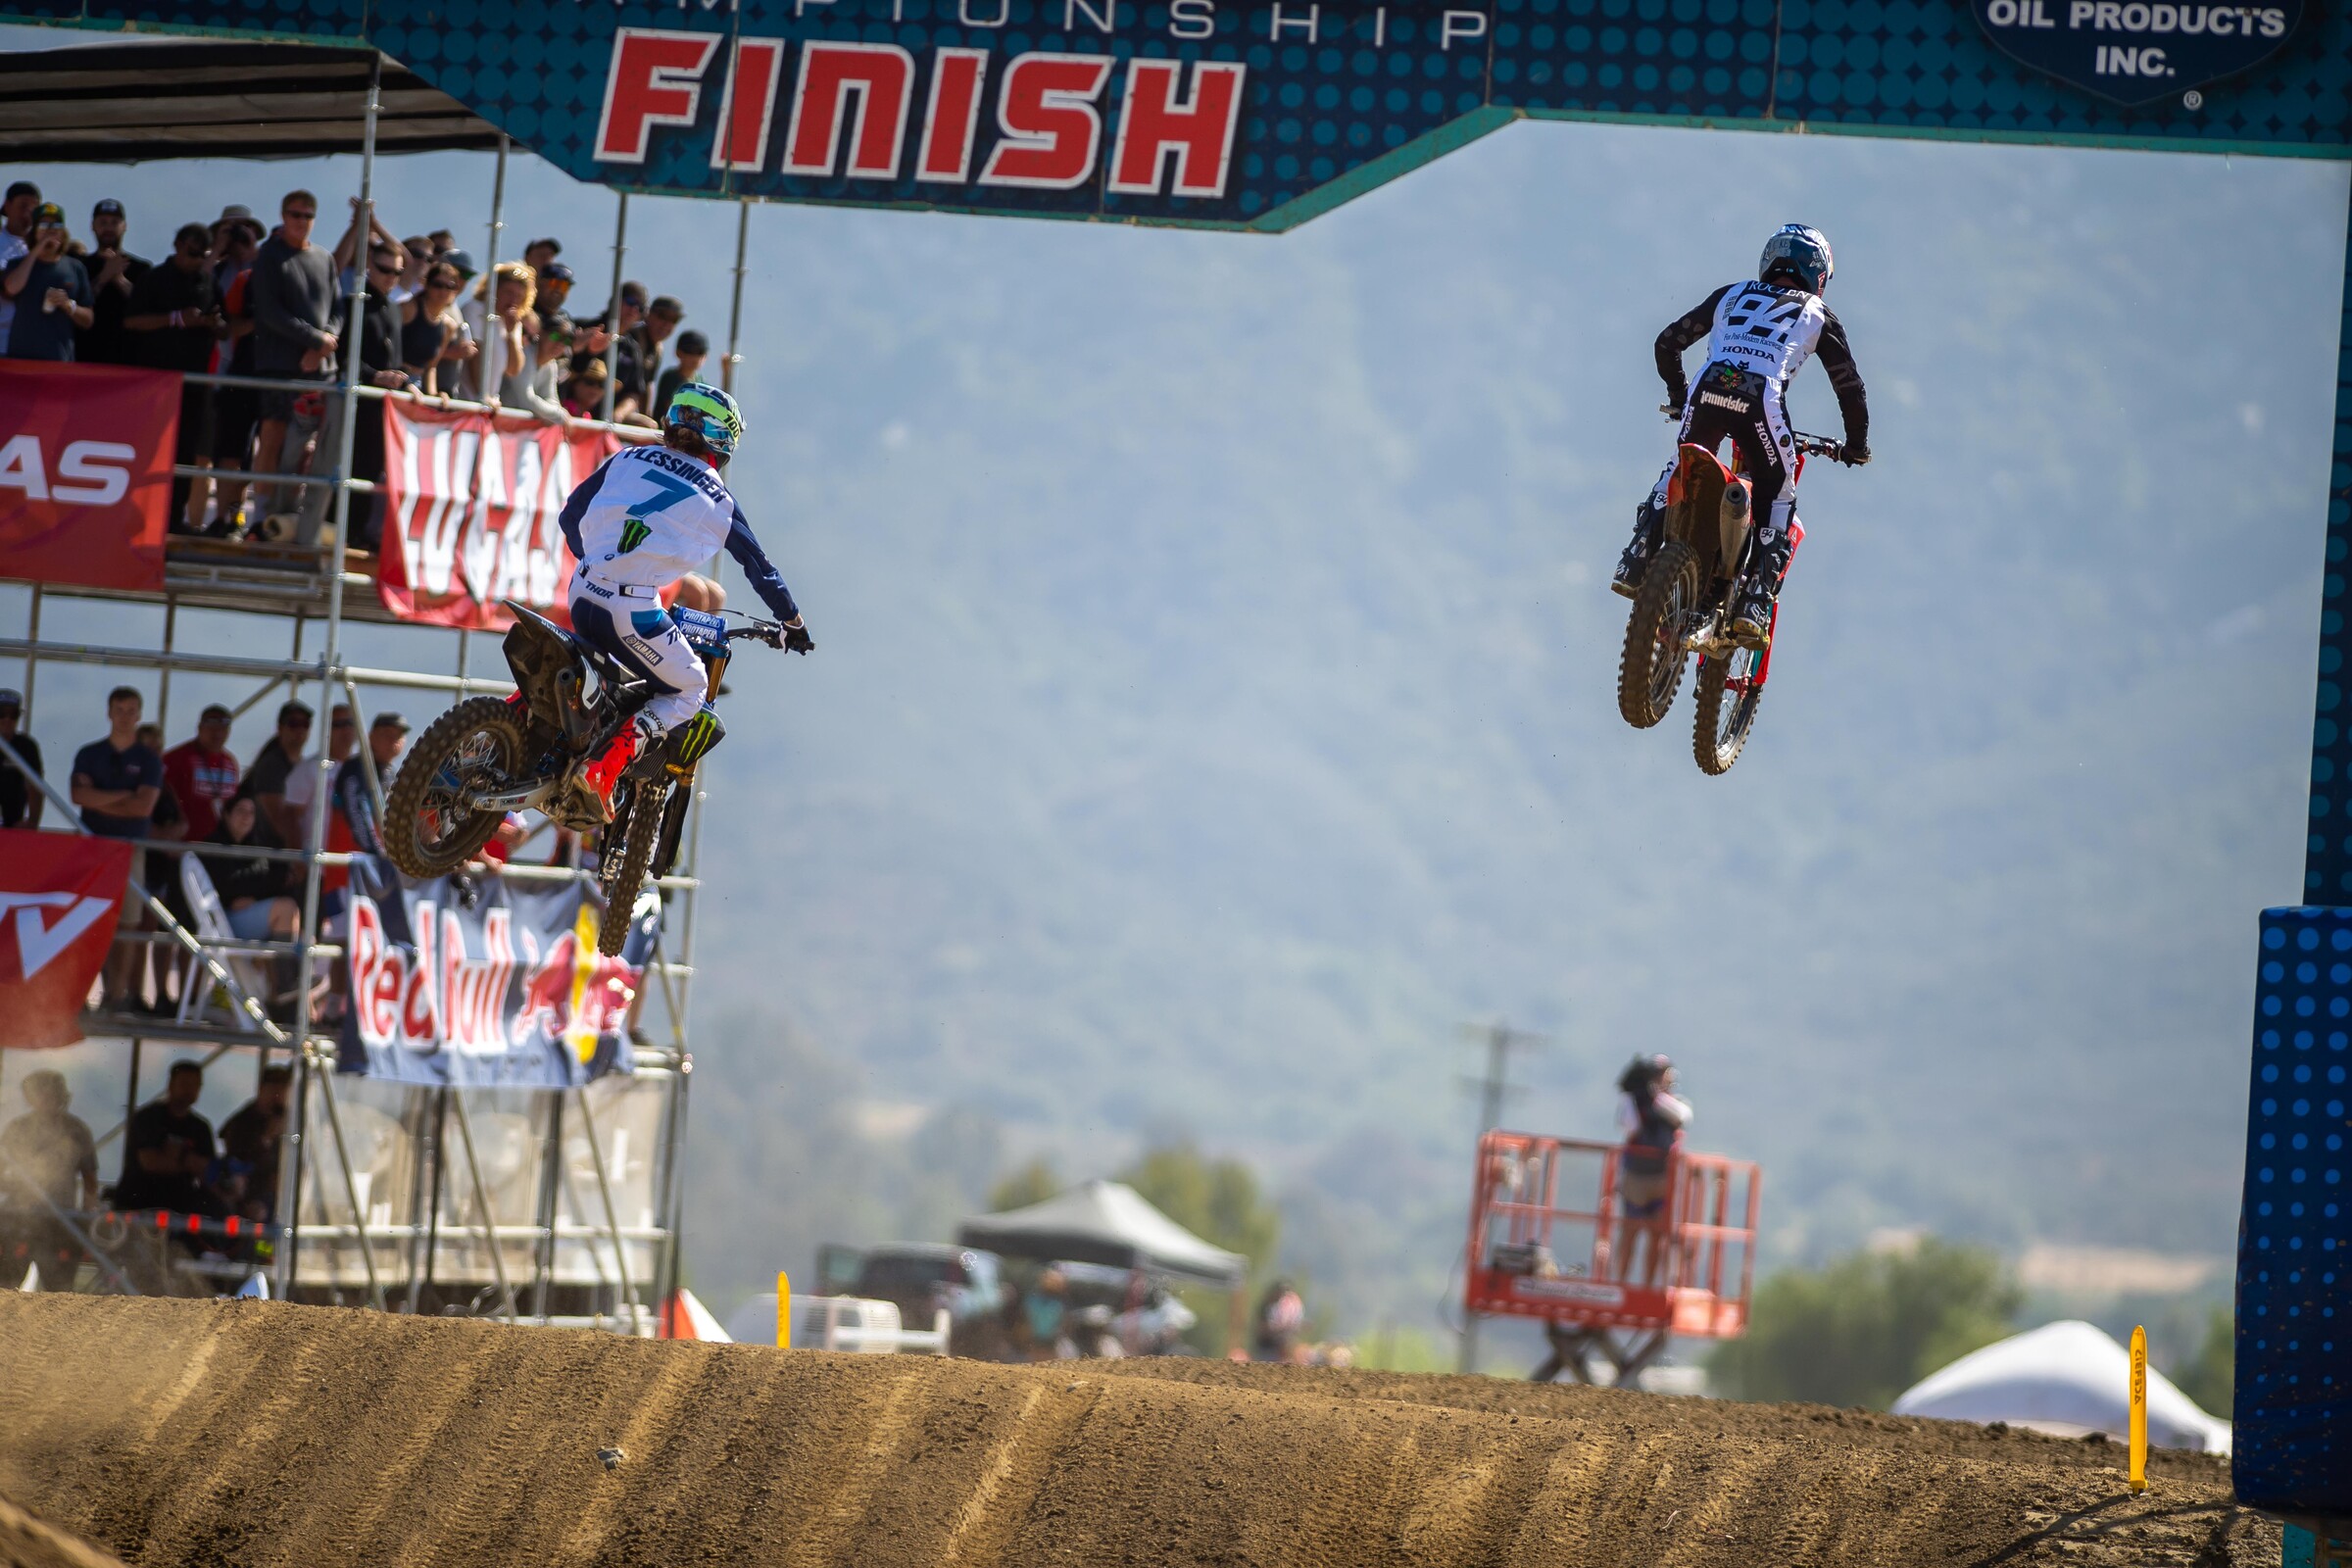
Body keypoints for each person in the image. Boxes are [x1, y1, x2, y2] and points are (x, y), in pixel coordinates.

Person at [557, 383, 812, 817]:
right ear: (723, 438)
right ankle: (605, 767)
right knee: (690, 687)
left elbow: (570, 516)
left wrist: (600, 562)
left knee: (596, 669)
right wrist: (793, 621)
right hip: (631, 611)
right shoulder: (718, 499)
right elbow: (760, 568)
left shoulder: (627, 457)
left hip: (582, 589)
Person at [1612, 223, 1871, 648]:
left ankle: (1637, 555)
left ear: (1769, 261)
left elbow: (1666, 343)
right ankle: (1753, 603)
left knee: (1681, 463)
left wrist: (1679, 397)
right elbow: (1850, 387)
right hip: (1760, 401)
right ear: (1819, 276)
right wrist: (1856, 445)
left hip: (1709, 387)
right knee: (1779, 496)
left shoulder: (1732, 293)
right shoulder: (1818, 314)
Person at [125, 222, 226, 533]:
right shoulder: (154, 278)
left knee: (185, 453)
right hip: (156, 380)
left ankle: (173, 518)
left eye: (203, 254)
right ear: (178, 245)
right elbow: (131, 321)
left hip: (193, 383)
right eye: (192, 252)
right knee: (147, 449)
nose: (196, 260)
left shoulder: (209, 282)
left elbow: (225, 326)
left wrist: (213, 322)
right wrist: (175, 319)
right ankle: (137, 514)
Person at [248, 190, 338, 525]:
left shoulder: (324, 258)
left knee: (309, 444)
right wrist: (315, 340)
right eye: (295, 214)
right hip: (278, 364)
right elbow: (270, 311)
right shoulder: (269, 255)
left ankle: (292, 510)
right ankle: (261, 511)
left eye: (308, 215)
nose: (301, 221)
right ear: (283, 216)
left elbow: (338, 308)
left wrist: (324, 343)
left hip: (319, 370)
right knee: (272, 436)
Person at [71, 686, 164, 1007]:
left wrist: (101, 799)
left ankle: (116, 995)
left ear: (139, 715)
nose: (124, 717)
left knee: (127, 924)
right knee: (87, 921)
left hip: (130, 848)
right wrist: (125, 794)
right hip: (93, 847)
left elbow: (143, 808)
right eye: (119, 709)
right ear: (109, 712)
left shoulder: (148, 760)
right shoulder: (89, 753)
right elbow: (79, 797)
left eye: (131, 711)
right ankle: (80, 993)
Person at [0, 1070, 98, 1290]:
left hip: (61, 1221)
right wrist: (18, 1187)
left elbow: (90, 1179)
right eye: (42, 1092)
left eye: (54, 1092)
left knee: (60, 1290)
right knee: (6, 1286)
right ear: (30, 1097)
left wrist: (86, 1218)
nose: (48, 1098)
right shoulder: (17, 1129)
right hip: (19, 1220)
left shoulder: (77, 1130)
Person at [1615, 1054, 1691, 1286]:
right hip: (1636, 1178)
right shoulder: (1633, 1102)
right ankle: (1621, 1281)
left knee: (1657, 1234)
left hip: (1661, 1178)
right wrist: (1645, 1101)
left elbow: (1683, 1116)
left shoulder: (1670, 1102)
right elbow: (1631, 1127)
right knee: (1630, 1232)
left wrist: (1656, 1100)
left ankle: (1648, 1284)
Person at [115, 1060, 217, 1214]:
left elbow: (207, 1169)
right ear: (171, 1085)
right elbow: (150, 1162)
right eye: (185, 1083)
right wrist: (187, 1161)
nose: (190, 1090)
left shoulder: (200, 1127)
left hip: (179, 1207)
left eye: (195, 1085)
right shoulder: (148, 1118)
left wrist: (174, 1157)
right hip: (138, 1204)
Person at [200, 795, 298, 942]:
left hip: (251, 911)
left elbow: (281, 877)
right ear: (226, 815)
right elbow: (228, 884)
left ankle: (279, 965)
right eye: (240, 811)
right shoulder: (214, 847)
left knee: (305, 937)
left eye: (251, 812)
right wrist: (247, 891)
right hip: (223, 920)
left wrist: (254, 896)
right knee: (286, 909)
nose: (246, 817)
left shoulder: (258, 844)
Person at [3, 203, 93, 361]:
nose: (50, 231)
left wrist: (68, 305)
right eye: (44, 226)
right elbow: (11, 288)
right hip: (21, 357)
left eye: (56, 226)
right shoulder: (17, 264)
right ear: (34, 231)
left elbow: (88, 319)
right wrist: (37, 249)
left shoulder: (75, 268)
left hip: (59, 358)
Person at [74, 197, 150, 366]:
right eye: (103, 222)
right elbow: (75, 305)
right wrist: (103, 277)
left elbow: (146, 308)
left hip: (129, 359)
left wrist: (119, 279)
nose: (108, 228)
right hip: (85, 356)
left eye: (114, 222)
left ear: (124, 226)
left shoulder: (141, 268)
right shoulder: (78, 265)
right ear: (93, 226)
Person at [215, 1065, 292, 1223]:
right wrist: (266, 1138)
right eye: (274, 1091)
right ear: (262, 1090)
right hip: (248, 1191)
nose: (277, 1098)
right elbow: (236, 1159)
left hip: (282, 1190)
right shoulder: (243, 1122)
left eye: (282, 1092)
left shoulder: (288, 1120)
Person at [329, 711, 407, 858]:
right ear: (371, 737)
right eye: (387, 734)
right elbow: (357, 812)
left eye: (399, 735)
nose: (394, 740)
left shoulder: (391, 774)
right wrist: (377, 853)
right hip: (349, 863)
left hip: (374, 864)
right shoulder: (355, 769)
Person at [161, 704, 240, 842]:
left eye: (223, 729)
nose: (217, 734)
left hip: (219, 846)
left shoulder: (230, 763)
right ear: (199, 728)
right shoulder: (175, 758)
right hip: (182, 845)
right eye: (212, 728)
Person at [242, 699, 314, 846]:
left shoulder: (303, 765)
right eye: (293, 723)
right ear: (280, 728)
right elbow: (280, 819)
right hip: (268, 854)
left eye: (305, 724)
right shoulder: (271, 766)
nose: (300, 729)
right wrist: (298, 857)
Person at [0, 180, 39, 342]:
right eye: (23, 206)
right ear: (8, 206)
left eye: (34, 208)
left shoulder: (42, 247)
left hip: (31, 341)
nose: (28, 212)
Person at [0, 687, 43, 829]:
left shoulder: (26, 746)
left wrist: (32, 821)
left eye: (13, 714)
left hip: (13, 828)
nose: (7, 719)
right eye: (1, 713)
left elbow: (35, 786)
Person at [653, 328, 708, 421]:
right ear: (678, 352)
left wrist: (726, 373)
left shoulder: (701, 381)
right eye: (689, 351)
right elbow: (672, 409)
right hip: (667, 431)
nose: (694, 357)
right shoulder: (670, 377)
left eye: (699, 352)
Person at [1252, 1279, 1304, 1361]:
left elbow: (1295, 1324)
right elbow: (1262, 1328)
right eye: (1282, 1291)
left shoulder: (1292, 1305)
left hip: (1280, 1345)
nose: (1284, 1295)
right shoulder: (1268, 1305)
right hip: (1266, 1346)